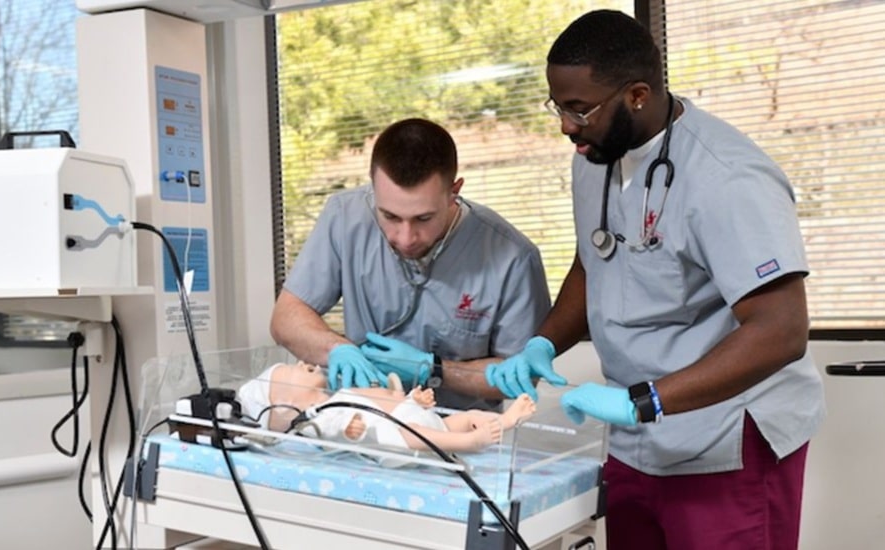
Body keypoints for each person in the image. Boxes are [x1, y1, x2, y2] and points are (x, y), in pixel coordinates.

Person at [484, 10, 825, 550]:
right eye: (559, 106)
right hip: (636, 440)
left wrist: (642, 402)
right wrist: (543, 342)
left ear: (637, 95)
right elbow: (595, 259)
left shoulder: (728, 177)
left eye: (579, 109)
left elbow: (780, 330)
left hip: (724, 440)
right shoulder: (596, 153)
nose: (566, 126)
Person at [270, 117, 551, 410]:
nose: (405, 238)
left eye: (423, 219)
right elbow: (286, 319)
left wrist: (436, 370)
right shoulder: (345, 217)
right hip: (365, 423)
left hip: (461, 436)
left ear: (454, 191)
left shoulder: (513, 258)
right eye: (389, 216)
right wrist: (337, 349)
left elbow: (522, 378)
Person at [237, 360, 536, 454]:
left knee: (466, 415)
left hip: (411, 416)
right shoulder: (318, 418)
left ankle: (506, 421)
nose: (301, 362)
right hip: (399, 436)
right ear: (287, 404)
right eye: (291, 369)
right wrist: (347, 429)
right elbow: (330, 431)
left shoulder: (339, 394)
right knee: (419, 434)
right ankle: (468, 443)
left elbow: (381, 400)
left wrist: (412, 400)